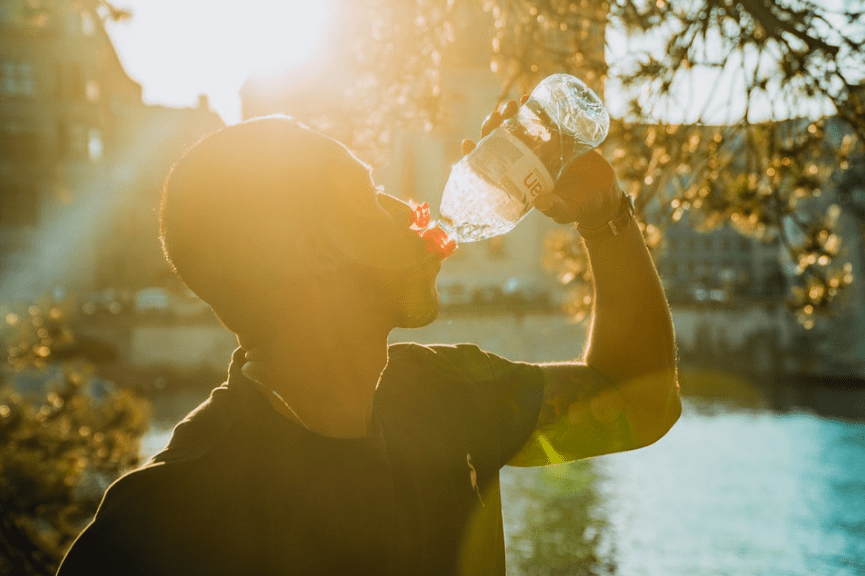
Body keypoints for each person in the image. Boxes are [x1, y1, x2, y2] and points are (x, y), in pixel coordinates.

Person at [57, 101, 680, 576]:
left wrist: (605, 217)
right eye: (366, 192)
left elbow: (639, 400)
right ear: (306, 251)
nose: (408, 207)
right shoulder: (153, 527)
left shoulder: (446, 394)